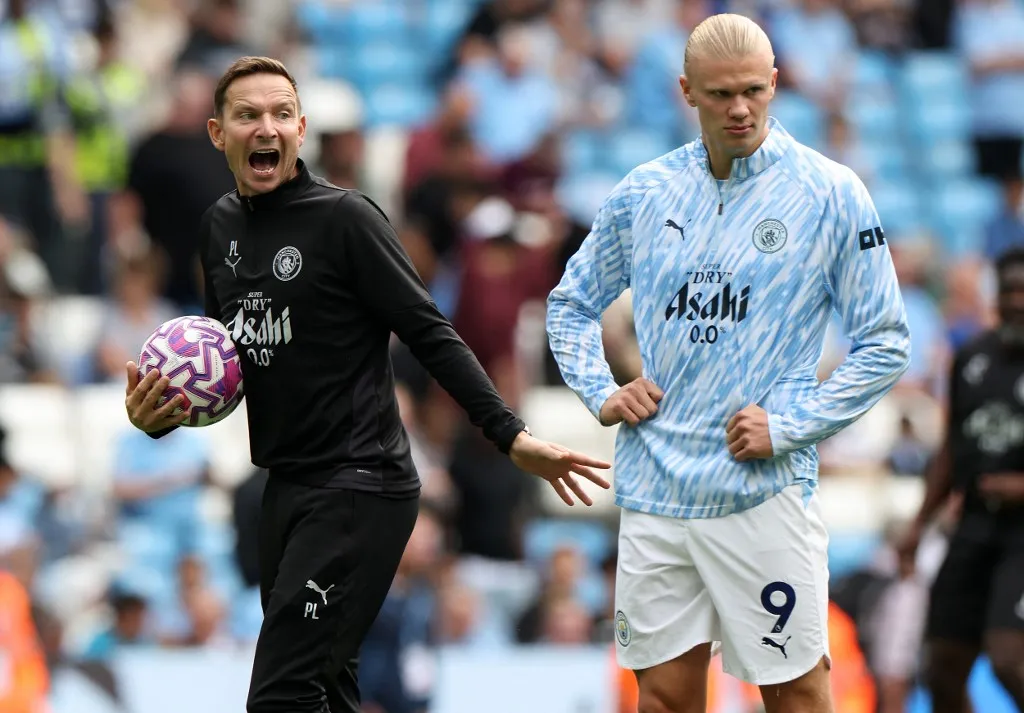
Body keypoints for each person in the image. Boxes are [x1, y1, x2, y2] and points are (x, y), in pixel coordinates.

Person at [122, 55, 611, 713]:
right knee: (326, 688)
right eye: (247, 115)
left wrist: (510, 433)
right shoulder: (219, 230)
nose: (265, 126)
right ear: (218, 132)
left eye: (279, 113)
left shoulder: (345, 219)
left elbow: (428, 330)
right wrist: (166, 414)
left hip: (360, 484)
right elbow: (233, 366)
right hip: (285, 489)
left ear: (300, 128)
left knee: (281, 696)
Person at [546, 14, 910, 713]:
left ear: (776, 83)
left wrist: (790, 425)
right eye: (720, 95)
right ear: (687, 91)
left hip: (762, 492)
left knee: (798, 694)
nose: (739, 109)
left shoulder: (830, 193)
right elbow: (569, 305)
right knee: (663, 701)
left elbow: (887, 341)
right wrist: (602, 389)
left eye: (752, 90)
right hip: (656, 489)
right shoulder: (645, 193)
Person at [898, 247, 1024, 713]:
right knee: (942, 666)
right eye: (1009, 290)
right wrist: (918, 525)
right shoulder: (971, 357)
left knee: (1011, 660)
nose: (1017, 301)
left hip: (1022, 537)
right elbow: (951, 450)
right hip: (972, 525)